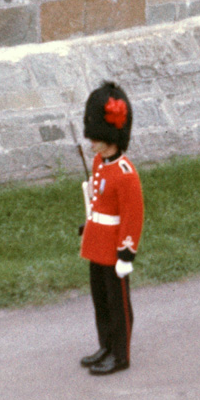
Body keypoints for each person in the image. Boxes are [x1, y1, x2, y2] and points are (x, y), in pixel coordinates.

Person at [77, 81, 144, 376]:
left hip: (115, 250)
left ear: (111, 135)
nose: (91, 141)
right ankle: (105, 345)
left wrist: (126, 254)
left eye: (96, 135)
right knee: (101, 302)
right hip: (97, 244)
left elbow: (132, 216)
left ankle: (121, 355)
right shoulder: (99, 162)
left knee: (118, 306)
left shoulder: (126, 173)